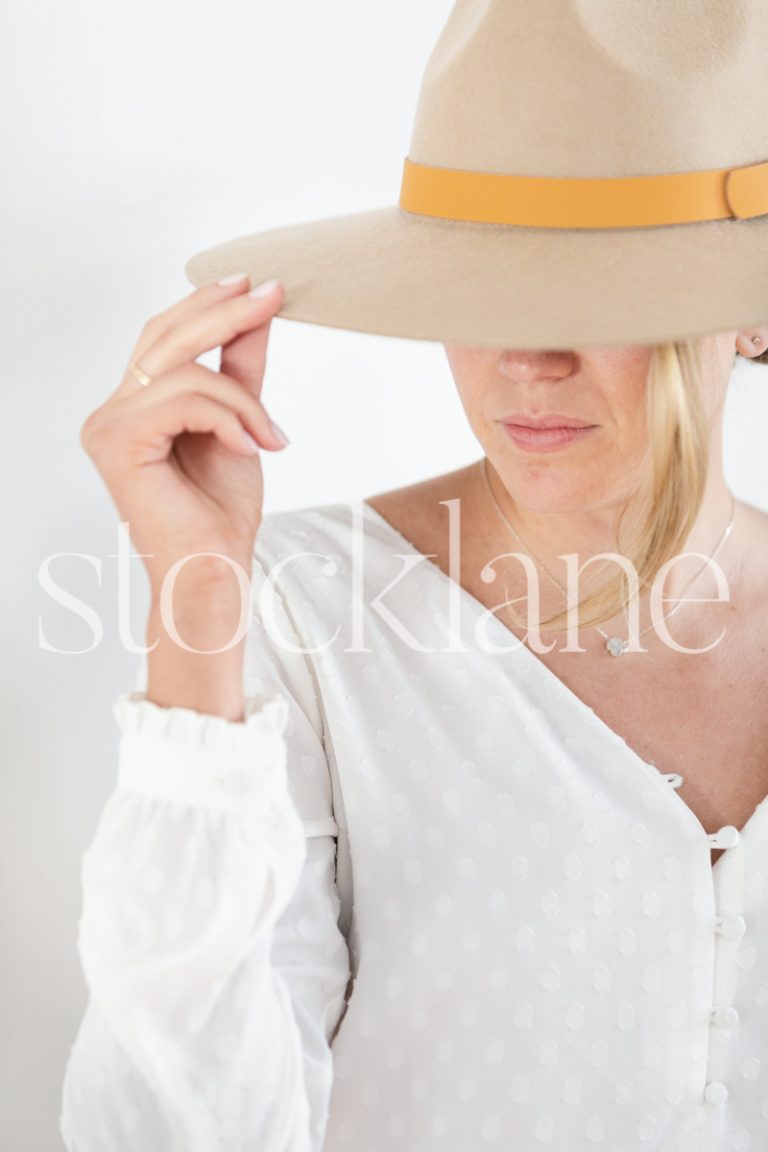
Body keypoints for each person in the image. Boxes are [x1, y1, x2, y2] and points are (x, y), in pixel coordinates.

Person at [61, 2, 768, 1149]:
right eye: (478, 288)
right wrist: (198, 596)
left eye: (609, 296)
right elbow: (171, 1129)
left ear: (746, 313)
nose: (525, 360)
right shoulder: (298, 614)